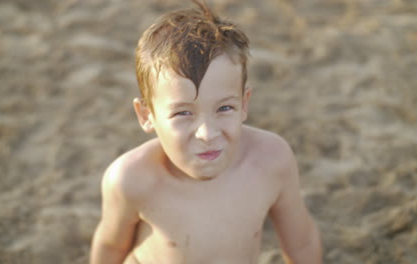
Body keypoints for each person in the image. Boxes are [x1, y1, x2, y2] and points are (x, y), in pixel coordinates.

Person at [90, 1, 322, 263]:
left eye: (224, 107)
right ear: (146, 115)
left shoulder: (271, 161)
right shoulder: (131, 180)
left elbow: (301, 243)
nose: (208, 133)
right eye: (183, 113)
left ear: (244, 103)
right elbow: (111, 247)